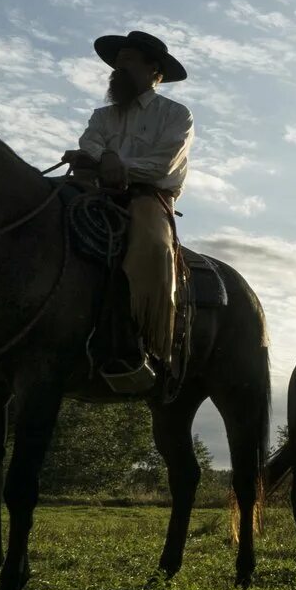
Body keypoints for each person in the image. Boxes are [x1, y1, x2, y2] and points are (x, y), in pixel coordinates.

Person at [61, 30, 192, 387]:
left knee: (150, 246)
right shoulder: (102, 115)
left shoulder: (176, 115)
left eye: (129, 60)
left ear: (154, 70)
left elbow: (163, 164)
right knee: (36, 210)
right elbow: (90, 142)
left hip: (149, 196)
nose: (119, 67)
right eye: (117, 62)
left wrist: (117, 164)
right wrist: (104, 159)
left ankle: (142, 346)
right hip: (95, 190)